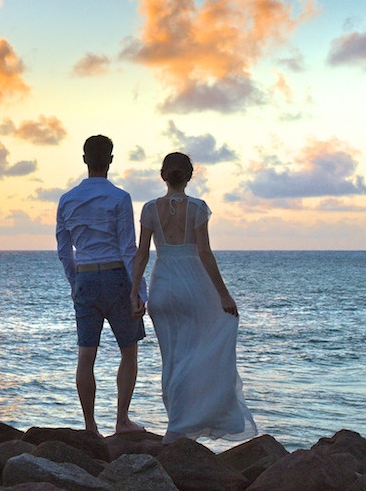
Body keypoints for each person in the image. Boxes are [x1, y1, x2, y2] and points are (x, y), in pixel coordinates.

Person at [130, 151, 257, 444]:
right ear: (188, 176)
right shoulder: (198, 208)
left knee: (172, 358)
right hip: (193, 286)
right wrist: (224, 295)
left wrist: (135, 292)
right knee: (198, 354)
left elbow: (141, 255)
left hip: (163, 287)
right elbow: (204, 253)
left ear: (163, 175)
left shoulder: (150, 209)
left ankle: (177, 424)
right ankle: (184, 424)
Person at [56, 134, 147, 438]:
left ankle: (90, 427)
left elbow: (63, 249)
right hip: (115, 277)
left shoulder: (66, 199)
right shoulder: (120, 197)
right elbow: (128, 248)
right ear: (110, 160)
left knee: (86, 355)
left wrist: (75, 281)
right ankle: (122, 420)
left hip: (85, 277)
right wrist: (138, 291)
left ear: (84, 160)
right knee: (129, 351)